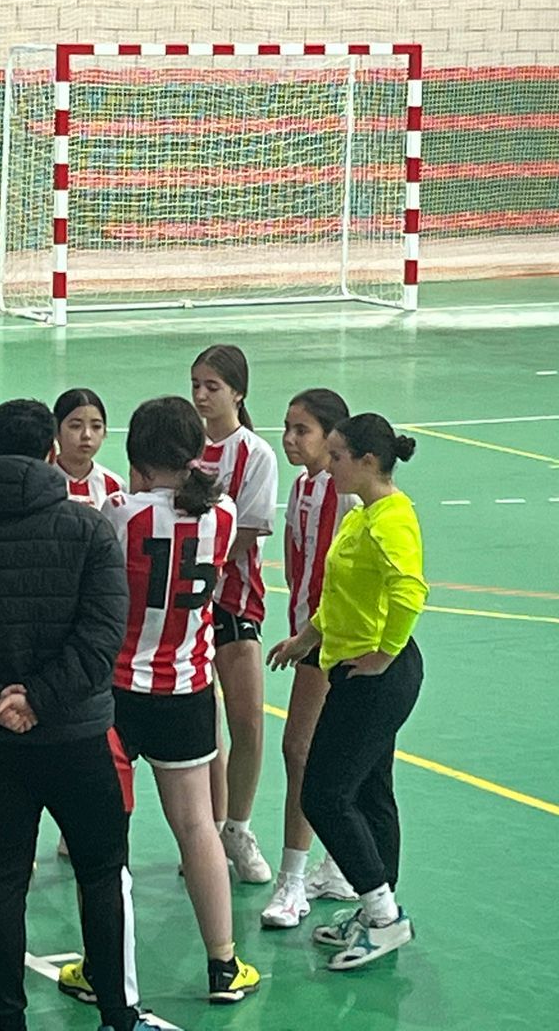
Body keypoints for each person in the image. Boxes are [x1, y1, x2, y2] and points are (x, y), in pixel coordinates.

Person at [0, 399, 151, 1031]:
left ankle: (6, 1020)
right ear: (50, 450)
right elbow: (101, 641)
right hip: (77, 736)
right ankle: (118, 1016)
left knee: (2, 878)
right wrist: (39, 699)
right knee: (101, 874)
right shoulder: (90, 530)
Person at [68, 396, 260, 1007]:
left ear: (137, 458)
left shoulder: (117, 513)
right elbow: (206, 501)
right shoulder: (223, 516)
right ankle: (223, 965)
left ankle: (103, 968)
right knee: (197, 827)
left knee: (105, 835)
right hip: (187, 688)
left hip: (118, 693)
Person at [268, 414, 427, 971]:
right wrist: (304, 638)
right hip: (354, 668)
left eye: (337, 456)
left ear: (366, 462)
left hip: (378, 677)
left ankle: (384, 918)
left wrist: (384, 652)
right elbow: (338, 596)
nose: (327, 464)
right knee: (369, 792)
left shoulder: (392, 520)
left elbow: (411, 591)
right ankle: (376, 905)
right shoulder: (363, 517)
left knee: (324, 795)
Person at [261, 388, 361, 929]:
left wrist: (314, 635)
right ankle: (341, 869)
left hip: (332, 642)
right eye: (287, 428)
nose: (290, 439)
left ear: (332, 437)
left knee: (299, 750)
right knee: (331, 754)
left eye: (303, 430)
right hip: (308, 635)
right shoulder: (302, 487)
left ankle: (292, 882)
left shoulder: (346, 497)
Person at [189, 344, 278, 885]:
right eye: (196, 384)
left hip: (233, 601)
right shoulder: (181, 445)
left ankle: (238, 829)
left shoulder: (256, 455)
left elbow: (245, 534)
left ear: (238, 393)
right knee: (201, 727)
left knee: (245, 721)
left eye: (212, 386)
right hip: (184, 605)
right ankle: (207, 830)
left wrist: (204, 563)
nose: (201, 394)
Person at [54, 388, 124, 508]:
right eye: (75, 426)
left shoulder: (115, 486)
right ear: (56, 430)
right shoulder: (40, 480)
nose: (87, 435)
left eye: (96, 427)